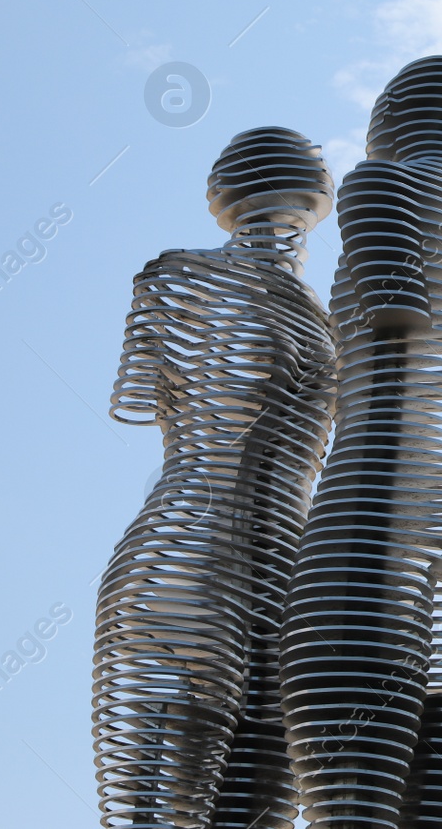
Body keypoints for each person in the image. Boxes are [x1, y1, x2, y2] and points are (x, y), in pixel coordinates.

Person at [281, 56, 442, 828]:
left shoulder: (382, 182)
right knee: (438, 766)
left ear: (393, 111)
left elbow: (394, 315)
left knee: (350, 778)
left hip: (383, 478)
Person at [95, 128, 338, 829]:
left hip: (286, 573)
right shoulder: (176, 277)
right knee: (162, 800)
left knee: (260, 802)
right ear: (223, 200)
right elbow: (147, 402)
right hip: (186, 552)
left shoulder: (327, 321)